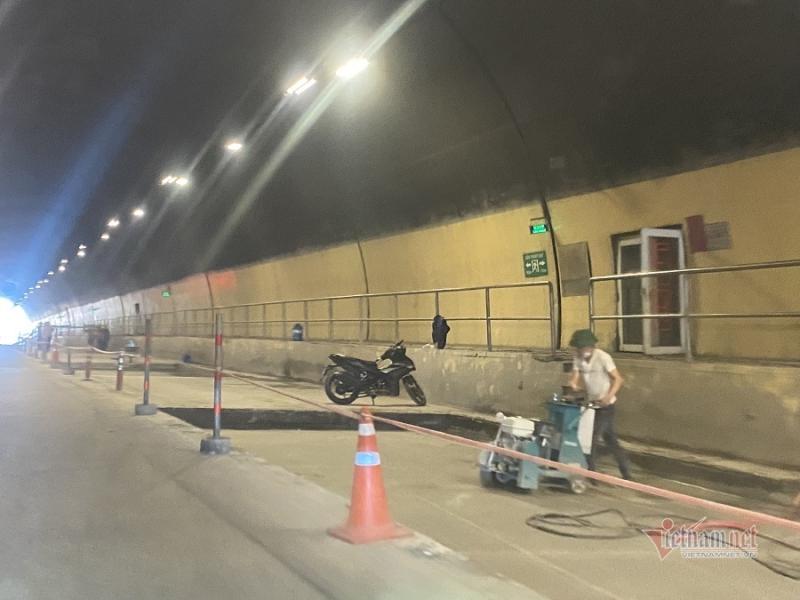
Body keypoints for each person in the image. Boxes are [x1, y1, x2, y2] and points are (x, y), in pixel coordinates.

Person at [568, 329, 632, 481]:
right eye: (579, 348)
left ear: (591, 346)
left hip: (606, 406)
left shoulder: (603, 357)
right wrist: (573, 384)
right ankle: (625, 470)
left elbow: (618, 379)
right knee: (610, 439)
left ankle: (591, 474)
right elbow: (575, 376)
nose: (581, 351)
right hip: (592, 404)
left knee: (592, 438)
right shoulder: (578, 358)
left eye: (584, 347)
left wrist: (608, 396)